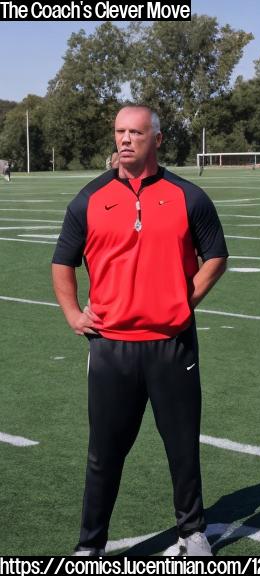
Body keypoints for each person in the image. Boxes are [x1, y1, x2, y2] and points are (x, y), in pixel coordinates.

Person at [51, 104, 228, 556]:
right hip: (111, 348)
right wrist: (73, 314)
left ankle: (191, 533)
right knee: (103, 454)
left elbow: (216, 256)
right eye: (119, 132)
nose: (125, 140)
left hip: (172, 346)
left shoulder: (188, 196)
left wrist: (182, 302)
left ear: (157, 139)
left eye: (135, 132)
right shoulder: (88, 199)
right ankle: (90, 545)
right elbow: (62, 263)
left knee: (183, 448)